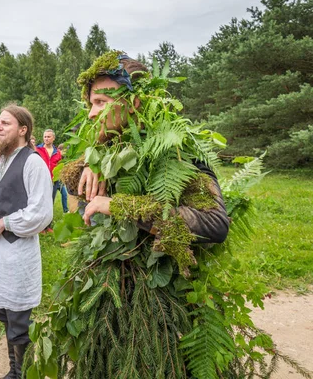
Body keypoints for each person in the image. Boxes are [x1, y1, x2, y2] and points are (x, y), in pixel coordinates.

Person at [35, 51, 231, 377]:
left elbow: (214, 223)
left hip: (165, 318)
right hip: (107, 306)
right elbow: (72, 182)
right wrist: (91, 162)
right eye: (90, 104)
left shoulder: (176, 150)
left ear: (134, 101)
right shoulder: (106, 147)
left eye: (100, 102)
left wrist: (120, 206)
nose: (91, 113)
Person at [0, 104, 53, 379]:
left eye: (5, 124)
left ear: (23, 130)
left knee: (18, 319)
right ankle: (14, 369)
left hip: (16, 252)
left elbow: (41, 212)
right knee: (3, 313)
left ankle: (24, 372)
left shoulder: (33, 163)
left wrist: (6, 223)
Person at [36, 129, 64, 231]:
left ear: (53, 138)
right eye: (45, 137)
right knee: (40, 203)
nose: (46, 139)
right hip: (40, 181)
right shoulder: (37, 150)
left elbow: (60, 166)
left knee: (49, 204)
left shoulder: (57, 153)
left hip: (53, 182)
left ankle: (48, 226)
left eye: (48, 137)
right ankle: (39, 227)